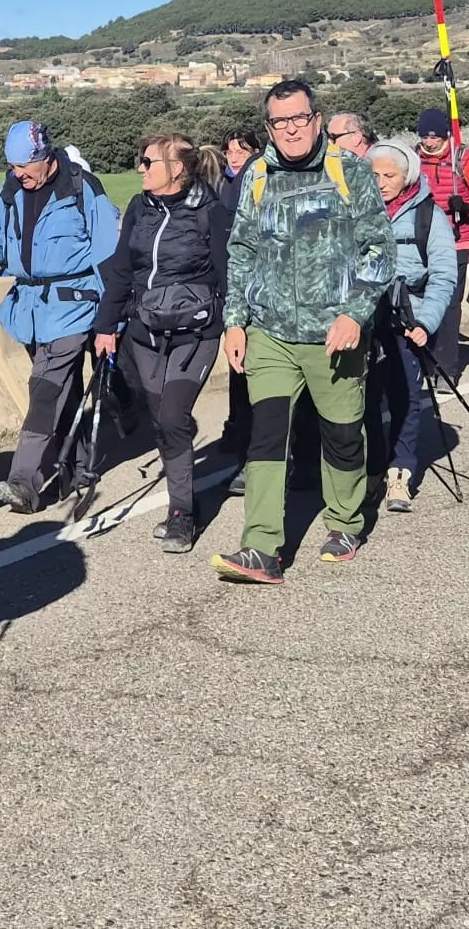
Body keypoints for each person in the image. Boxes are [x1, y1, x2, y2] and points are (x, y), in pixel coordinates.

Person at [214, 79, 394, 583]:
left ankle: (344, 523)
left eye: (300, 118)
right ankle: (261, 548)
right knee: (267, 437)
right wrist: (235, 321)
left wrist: (354, 313)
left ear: (316, 119)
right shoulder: (257, 175)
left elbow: (380, 250)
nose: (291, 128)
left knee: (341, 435)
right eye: (280, 121)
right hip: (269, 333)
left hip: (334, 333)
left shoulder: (349, 171)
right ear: (268, 127)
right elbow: (242, 252)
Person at [0, 120, 121, 515]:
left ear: (46, 158)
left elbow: (108, 255)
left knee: (44, 388)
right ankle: (74, 470)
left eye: (25, 166)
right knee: (64, 389)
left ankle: (24, 480)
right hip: (28, 309)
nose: (18, 174)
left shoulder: (82, 189)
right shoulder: (11, 189)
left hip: (73, 306)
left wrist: (112, 320)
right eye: (12, 166)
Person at [94, 134, 228, 552]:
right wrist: (106, 326)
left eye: (149, 161)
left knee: (172, 418)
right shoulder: (138, 207)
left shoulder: (212, 210)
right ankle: (183, 496)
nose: (141, 168)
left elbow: (228, 272)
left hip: (196, 331)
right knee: (162, 422)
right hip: (145, 329)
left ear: (177, 168)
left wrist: (238, 325)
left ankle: (181, 513)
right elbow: (121, 269)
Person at [364, 141, 458, 513]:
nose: (382, 182)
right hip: (364, 320)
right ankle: (370, 470)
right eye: (375, 175)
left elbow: (444, 276)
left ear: (408, 177)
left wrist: (425, 321)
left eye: (390, 175)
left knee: (404, 398)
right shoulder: (356, 211)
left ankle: (400, 472)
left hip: (408, 319)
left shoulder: (429, 216)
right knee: (365, 399)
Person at [412, 111, 469, 387]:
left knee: (448, 303)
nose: (430, 142)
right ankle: (425, 363)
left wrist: (466, 207)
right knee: (422, 303)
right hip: (421, 240)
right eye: (425, 136)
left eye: (434, 136)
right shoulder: (413, 157)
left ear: (445, 135)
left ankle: (447, 368)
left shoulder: (463, 158)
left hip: (457, 239)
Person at [215, 127, 264, 470]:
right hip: (229, 285)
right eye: (229, 151)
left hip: (250, 285)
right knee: (238, 366)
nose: (234, 156)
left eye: (241, 150)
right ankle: (238, 428)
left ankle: (249, 437)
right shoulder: (223, 184)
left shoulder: (256, 180)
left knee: (247, 366)